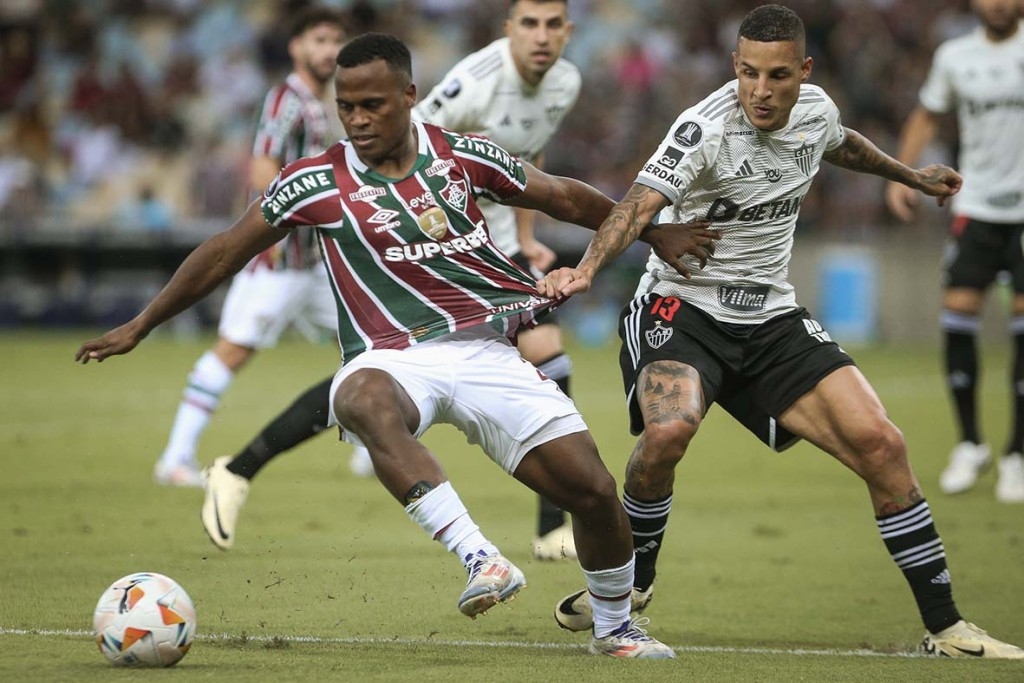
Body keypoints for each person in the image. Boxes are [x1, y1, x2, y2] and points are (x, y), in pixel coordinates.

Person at [77, 32, 723, 658]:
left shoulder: (464, 156)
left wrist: (652, 231)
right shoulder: (314, 182)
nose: (356, 120)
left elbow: (559, 196)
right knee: (356, 394)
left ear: (410, 94)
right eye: (346, 107)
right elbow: (224, 249)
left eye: (372, 105)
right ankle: (481, 557)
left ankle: (614, 629)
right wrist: (144, 322)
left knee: (593, 490)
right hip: (392, 355)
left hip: (486, 349)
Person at [540, 4, 1024, 659]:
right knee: (670, 429)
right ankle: (633, 586)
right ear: (733, 68)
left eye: (775, 77)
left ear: (803, 71)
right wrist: (586, 268)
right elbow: (636, 205)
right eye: (747, 74)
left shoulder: (817, 110)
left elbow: (842, 142)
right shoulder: (703, 129)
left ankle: (948, 627)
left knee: (882, 443)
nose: (760, 92)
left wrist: (909, 175)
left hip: (770, 316)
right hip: (681, 311)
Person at [202, 0, 584, 561]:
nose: (541, 37)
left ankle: (552, 526)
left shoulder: (564, 83)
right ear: (508, 30)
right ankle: (238, 469)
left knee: (541, 355)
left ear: (569, 32)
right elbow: (403, 142)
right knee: (380, 370)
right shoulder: (472, 84)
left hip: (492, 243)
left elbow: (528, 159)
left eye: (553, 25)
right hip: (432, 241)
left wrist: (526, 238)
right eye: (529, 23)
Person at [151, 6, 346, 487]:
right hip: (279, 260)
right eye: (319, 40)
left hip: (318, 261)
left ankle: (370, 444)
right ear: (296, 47)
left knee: (372, 340)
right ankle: (175, 457)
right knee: (233, 351)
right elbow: (261, 167)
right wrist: (280, 223)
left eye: (335, 41)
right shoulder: (287, 99)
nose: (329, 50)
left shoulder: (330, 102)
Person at [884, 0, 1024, 504]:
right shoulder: (955, 56)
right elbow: (927, 113)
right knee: (958, 314)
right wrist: (904, 172)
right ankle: (970, 443)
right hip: (978, 204)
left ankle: (1017, 454)